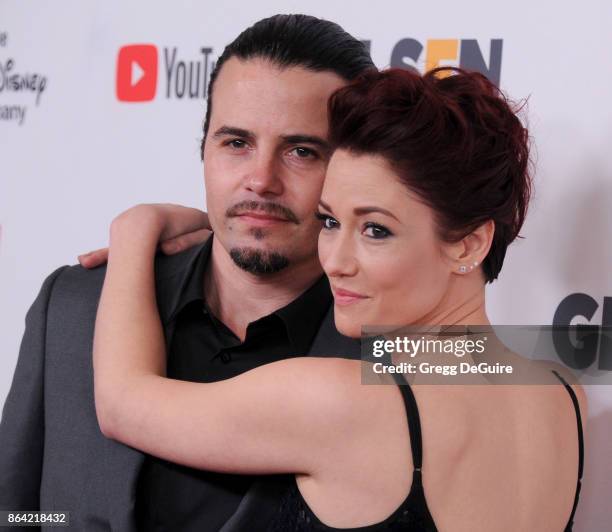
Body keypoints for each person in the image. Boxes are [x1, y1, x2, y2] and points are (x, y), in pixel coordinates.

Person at [93, 67, 587, 531]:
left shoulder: (341, 401)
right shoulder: (563, 396)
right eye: (330, 222)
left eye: (375, 230)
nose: (335, 259)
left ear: (469, 243)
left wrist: (136, 229)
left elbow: (122, 404)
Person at [0, 15, 375, 531]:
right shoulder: (72, 307)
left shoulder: (406, 354)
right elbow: (13, 513)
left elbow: (519, 362)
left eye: (301, 151)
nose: (261, 180)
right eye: (236, 142)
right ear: (203, 149)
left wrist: (134, 229)